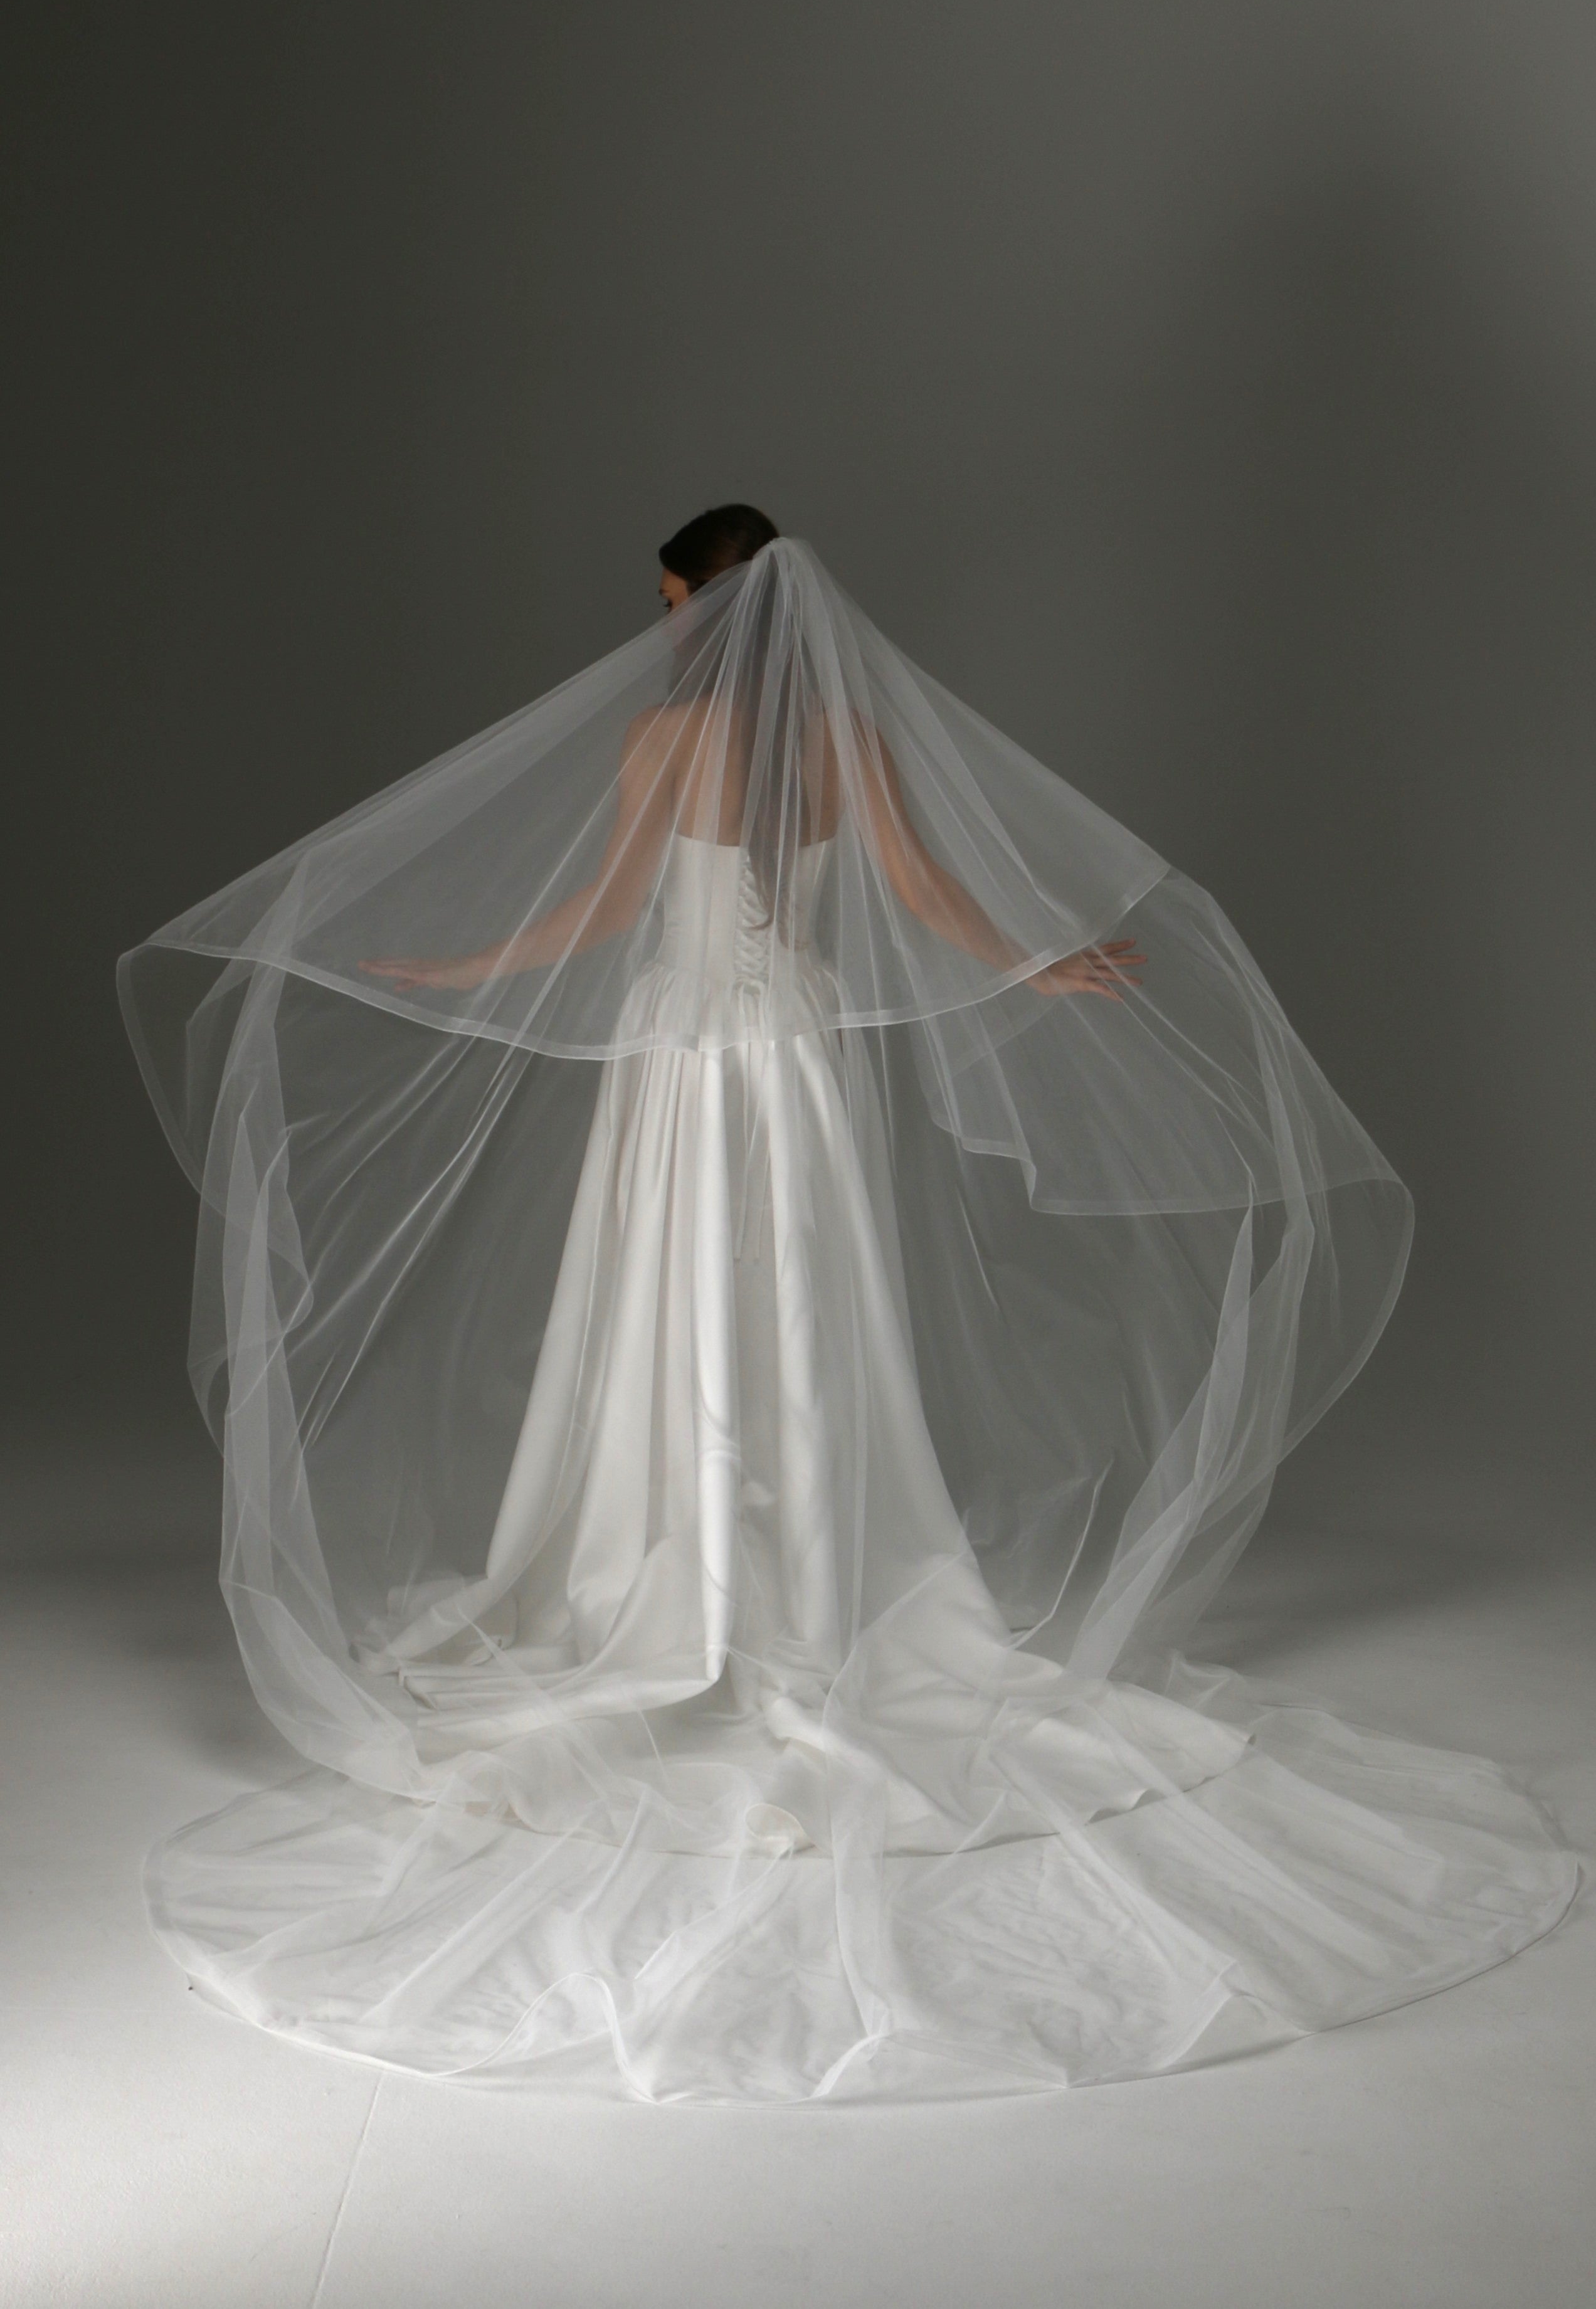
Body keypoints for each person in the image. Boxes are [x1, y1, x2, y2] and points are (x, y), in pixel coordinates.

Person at [119, 507, 1575, 2101]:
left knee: (672, 1313)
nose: (665, 624)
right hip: (799, 1062)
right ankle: (818, 1577)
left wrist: (451, 970)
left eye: (670, 600)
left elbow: (596, 912)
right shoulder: (847, 742)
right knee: (810, 1322)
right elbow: (925, 897)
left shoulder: (665, 740)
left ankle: (670, 1572)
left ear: (701, 604)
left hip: (685, 1061)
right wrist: (1036, 960)